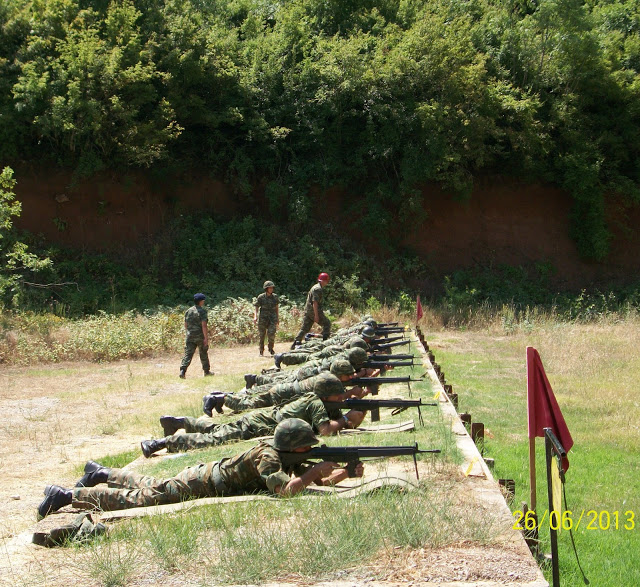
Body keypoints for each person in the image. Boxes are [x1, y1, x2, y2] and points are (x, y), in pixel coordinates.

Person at [37, 419, 364, 518]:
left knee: (153, 481)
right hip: (200, 484)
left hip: (201, 475)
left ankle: (101, 473)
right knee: (142, 497)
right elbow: (290, 491)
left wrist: (343, 472)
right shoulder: (270, 459)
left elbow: (312, 481)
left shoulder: (280, 454)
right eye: (308, 446)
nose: (311, 451)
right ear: (295, 447)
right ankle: (67, 496)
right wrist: (313, 471)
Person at [140, 378, 368, 457]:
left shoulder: (317, 401)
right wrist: (347, 421)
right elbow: (326, 430)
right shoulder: (316, 403)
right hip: (258, 424)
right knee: (214, 439)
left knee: (217, 431)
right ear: (328, 395)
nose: (342, 397)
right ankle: (160, 443)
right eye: (339, 394)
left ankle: (180, 422)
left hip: (260, 420)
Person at [291, 272, 331, 349]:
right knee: (327, 324)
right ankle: (324, 343)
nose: (327, 282)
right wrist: (316, 315)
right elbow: (315, 302)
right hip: (313, 311)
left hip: (308, 311)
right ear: (322, 281)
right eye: (326, 280)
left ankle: (295, 343)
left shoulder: (315, 287)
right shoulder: (318, 289)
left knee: (305, 328)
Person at [180, 293, 213, 378]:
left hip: (190, 336)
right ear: (201, 302)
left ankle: (182, 371)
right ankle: (206, 371)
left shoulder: (188, 311)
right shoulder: (202, 311)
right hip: (200, 336)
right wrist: (206, 338)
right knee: (203, 353)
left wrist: (188, 333)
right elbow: (204, 325)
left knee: (188, 354)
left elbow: (186, 324)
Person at [254, 280, 279, 356]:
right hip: (263, 319)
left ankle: (271, 349)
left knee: (271, 334)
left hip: (272, 318)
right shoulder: (261, 297)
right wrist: (255, 316)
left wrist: (277, 318)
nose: (271, 289)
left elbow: (277, 308)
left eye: (272, 288)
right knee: (262, 335)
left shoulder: (275, 297)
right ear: (266, 288)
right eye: (269, 288)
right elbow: (256, 307)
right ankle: (261, 351)